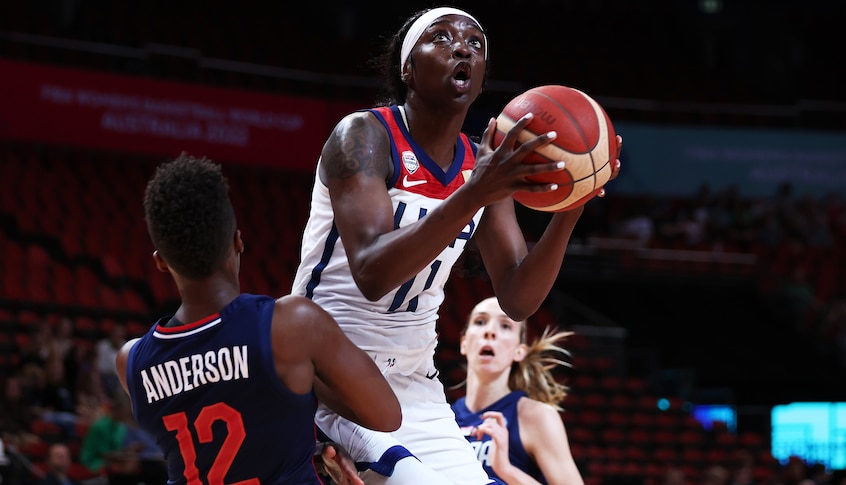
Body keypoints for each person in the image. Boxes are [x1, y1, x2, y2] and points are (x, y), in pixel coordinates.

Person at [290, 6, 622, 484]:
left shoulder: (480, 165)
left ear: (482, 78)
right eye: (441, 38)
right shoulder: (363, 135)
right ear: (408, 68)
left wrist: (572, 208)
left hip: (415, 384)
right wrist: (476, 192)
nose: (462, 47)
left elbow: (517, 297)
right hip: (334, 374)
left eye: (476, 44)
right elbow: (371, 272)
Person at [116, 153, 401, 485]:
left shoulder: (131, 363)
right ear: (238, 241)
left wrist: (309, 445)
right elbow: (386, 415)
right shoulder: (292, 326)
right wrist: (309, 371)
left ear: (161, 262)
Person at [452, 297, 582, 485]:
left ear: (519, 351)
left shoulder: (536, 416)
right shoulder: (444, 417)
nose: (489, 331)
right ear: (464, 343)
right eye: (480, 322)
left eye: (505, 326)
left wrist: (506, 469)